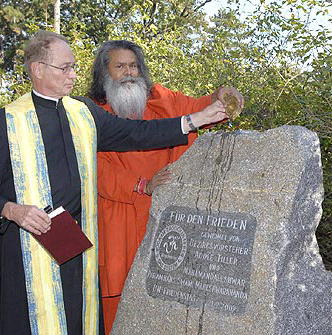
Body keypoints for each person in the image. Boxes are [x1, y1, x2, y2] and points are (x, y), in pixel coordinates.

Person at [0, 31, 228, 335]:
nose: (73, 74)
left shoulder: (84, 112)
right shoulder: (6, 123)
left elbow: (137, 133)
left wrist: (196, 119)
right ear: (38, 69)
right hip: (26, 250)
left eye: (74, 66)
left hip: (76, 247)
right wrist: (11, 210)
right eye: (65, 68)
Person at [88, 39, 244, 333]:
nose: (129, 72)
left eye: (133, 65)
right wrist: (140, 185)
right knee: (118, 302)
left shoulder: (160, 98)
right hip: (118, 218)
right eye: (120, 66)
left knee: (164, 295)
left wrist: (218, 97)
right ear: (104, 73)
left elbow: (196, 109)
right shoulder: (91, 113)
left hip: (163, 216)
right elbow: (92, 168)